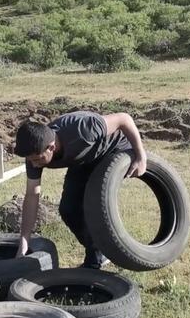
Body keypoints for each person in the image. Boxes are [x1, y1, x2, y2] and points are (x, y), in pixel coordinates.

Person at [13, 110, 147, 269]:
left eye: (37, 160)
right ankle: (99, 253)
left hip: (112, 148)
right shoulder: (34, 155)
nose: (34, 164)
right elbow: (32, 195)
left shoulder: (84, 129)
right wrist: (24, 240)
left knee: (93, 206)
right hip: (82, 159)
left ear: (51, 147)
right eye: (30, 160)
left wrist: (140, 156)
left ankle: (96, 259)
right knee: (68, 210)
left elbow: (124, 119)